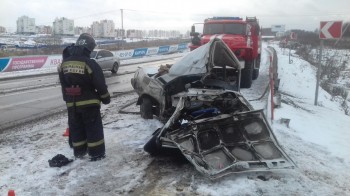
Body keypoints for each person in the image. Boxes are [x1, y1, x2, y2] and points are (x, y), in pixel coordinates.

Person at [58, 33, 110, 161]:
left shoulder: (64, 63)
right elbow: (100, 84)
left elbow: (63, 85)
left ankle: (80, 153)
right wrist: (105, 98)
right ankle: (96, 154)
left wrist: (67, 100)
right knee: (93, 131)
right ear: (88, 48)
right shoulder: (89, 63)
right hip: (89, 105)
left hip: (72, 105)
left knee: (76, 130)